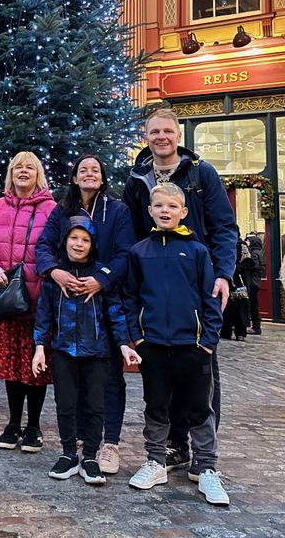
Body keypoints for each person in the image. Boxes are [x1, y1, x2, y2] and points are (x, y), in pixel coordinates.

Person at [123, 107, 234, 475]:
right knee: (163, 380)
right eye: (154, 131)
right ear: (146, 136)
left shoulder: (201, 173)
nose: (161, 137)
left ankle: (205, 457)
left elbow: (224, 227)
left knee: (201, 377)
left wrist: (223, 274)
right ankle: (175, 447)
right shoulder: (137, 178)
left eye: (167, 131)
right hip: (155, 286)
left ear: (177, 135)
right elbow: (131, 231)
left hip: (196, 281)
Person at [123, 183, 229, 506]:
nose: (165, 211)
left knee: (198, 407)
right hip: (153, 345)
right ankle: (155, 461)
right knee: (156, 405)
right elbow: (130, 297)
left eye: (172, 206)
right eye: (159, 206)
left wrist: (207, 342)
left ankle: (207, 467)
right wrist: (138, 338)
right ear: (150, 211)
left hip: (192, 345)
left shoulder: (197, 251)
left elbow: (210, 299)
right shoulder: (139, 251)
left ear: (183, 212)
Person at [35, 154, 136, 474]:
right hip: (69, 297)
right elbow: (43, 245)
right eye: (83, 170)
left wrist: (101, 279)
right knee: (74, 381)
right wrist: (54, 272)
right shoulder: (62, 209)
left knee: (109, 379)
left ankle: (109, 443)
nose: (89, 174)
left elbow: (125, 253)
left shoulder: (117, 210)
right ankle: (80, 443)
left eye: (95, 170)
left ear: (102, 177)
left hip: (106, 297)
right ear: (75, 178)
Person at [0, 151, 57, 452]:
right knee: (11, 366)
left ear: (38, 174)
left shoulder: (50, 209)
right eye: (18, 167)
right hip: (7, 299)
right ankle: (13, 423)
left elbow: (55, 247)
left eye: (30, 167)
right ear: (10, 173)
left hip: (38, 301)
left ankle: (34, 425)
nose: (23, 171)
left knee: (36, 367)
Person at [220, 236, 253, 342]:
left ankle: (240, 333)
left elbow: (249, 262)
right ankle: (226, 331)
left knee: (240, 308)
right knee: (226, 307)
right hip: (227, 280)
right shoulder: (224, 244)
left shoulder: (242, 246)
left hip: (239, 281)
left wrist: (237, 268)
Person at [246, 233, 264, 334]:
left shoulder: (254, 253)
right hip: (255, 282)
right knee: (253, 304)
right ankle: (255, 326)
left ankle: (256, 327)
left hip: (252, 283)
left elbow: (254, 266)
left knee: (253, 305)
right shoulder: (259, 252)